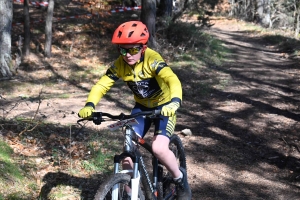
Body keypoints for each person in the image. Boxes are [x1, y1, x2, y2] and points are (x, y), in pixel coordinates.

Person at [78, 21, 191, 200]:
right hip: (142, 108)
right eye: (123, 50)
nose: (128, 55)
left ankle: (179, 178)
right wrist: (90, 105)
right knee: (127, 152)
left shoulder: (152, 59)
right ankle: (132, 193)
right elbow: (101, 85)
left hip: (164, 107)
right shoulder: (120, 65)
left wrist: (175, 102)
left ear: (143, 47)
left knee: (159, 149)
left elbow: (172, 79)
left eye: (133, 49)